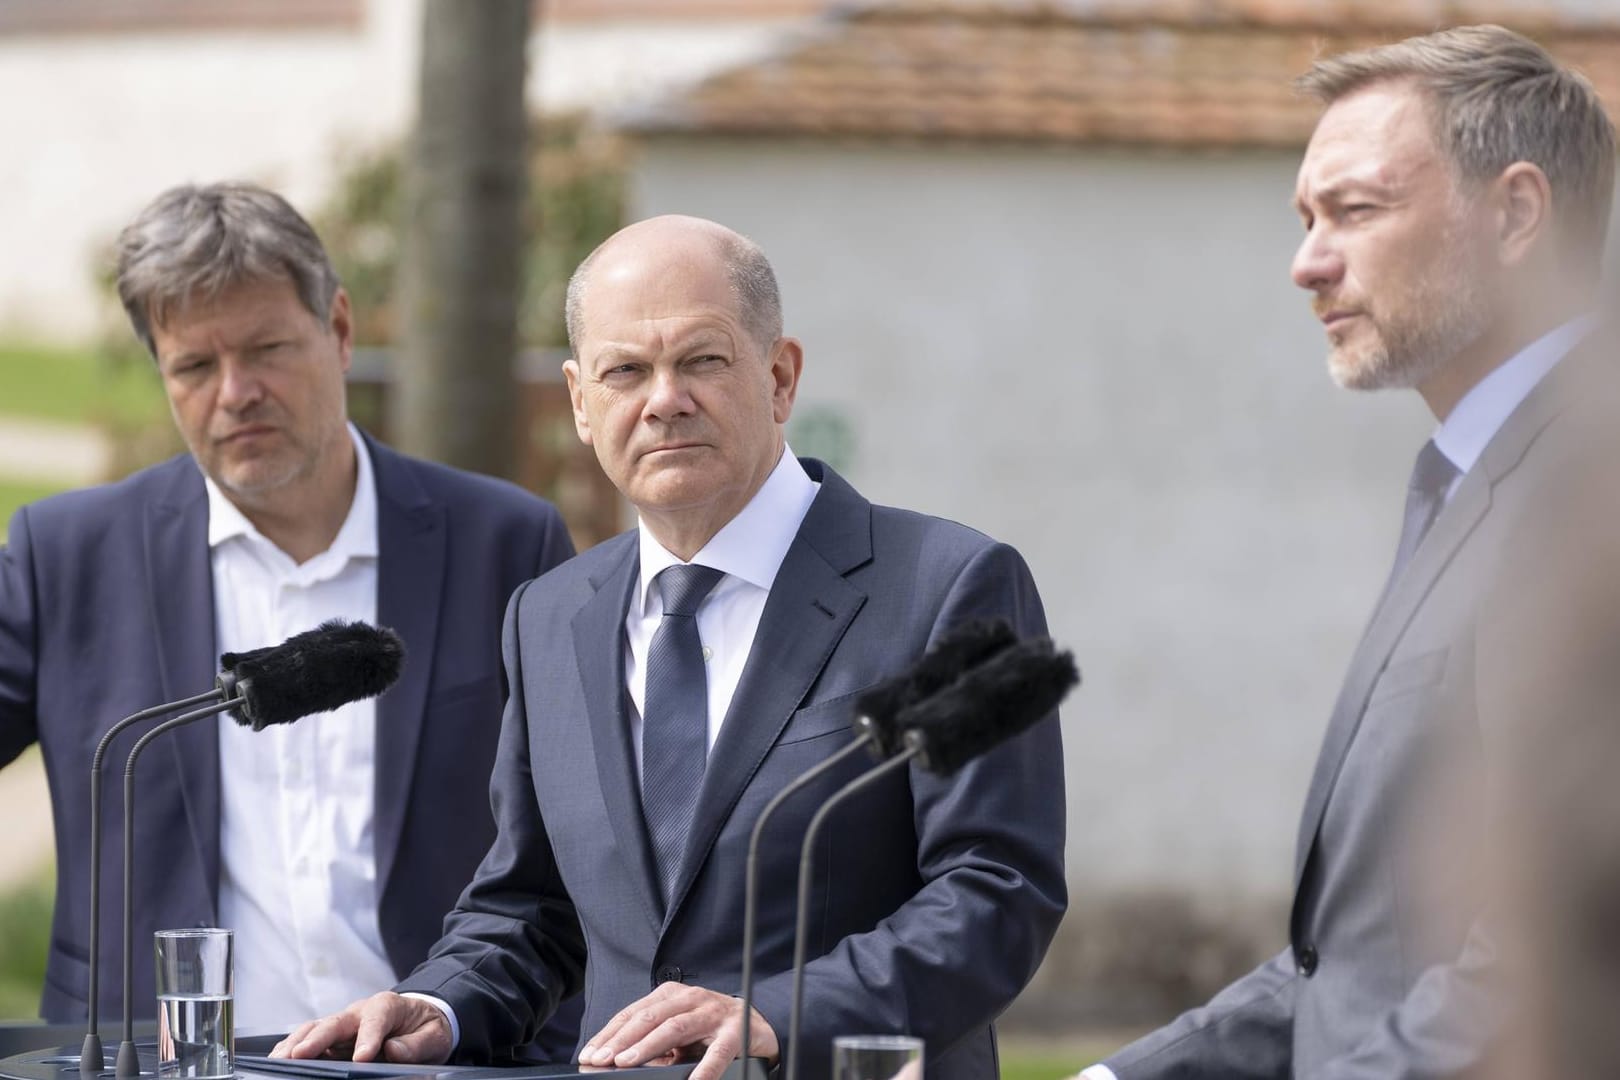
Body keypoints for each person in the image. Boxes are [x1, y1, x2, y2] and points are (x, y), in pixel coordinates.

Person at [271, 215, 1068, 1079]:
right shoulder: (548, 615)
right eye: (625, 371)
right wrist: (437, 1004)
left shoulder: (947, 586)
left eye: (702, 360)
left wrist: (778, 1016)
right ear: (581, 401)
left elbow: (996, 888)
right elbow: (532, 908)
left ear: (780, 376)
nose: (664, 399)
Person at [1081, 24, 1616, 1080]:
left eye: (1355, 210)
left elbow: (1543, 951)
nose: (1306, 263)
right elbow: (1347, 970)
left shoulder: (1591, 496)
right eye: (1305, 218)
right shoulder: (1470, 478)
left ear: (1515, 213)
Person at [0, 182, 581, 1049]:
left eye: (267, 348)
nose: (237, 392)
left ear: (340, 330)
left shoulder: (506, 543)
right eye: (195, 367)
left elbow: (576, 842)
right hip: (158, 1065)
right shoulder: (67, 553)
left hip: (438, 1058)